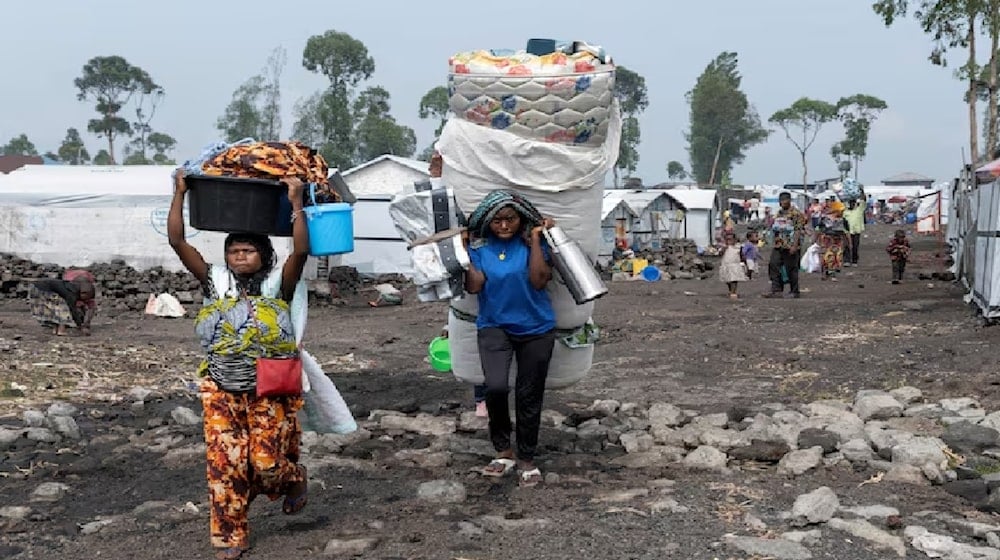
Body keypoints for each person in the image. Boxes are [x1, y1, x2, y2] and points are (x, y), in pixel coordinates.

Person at [169, 171, 310, 560]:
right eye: (234, 251)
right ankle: (230, 536)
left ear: (264, 255)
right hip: (220, 385)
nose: (240, 256)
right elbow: (178, 241)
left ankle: (293, 478)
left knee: (265, 461)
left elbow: (300, 251)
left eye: (249, 250)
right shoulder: (216, 282)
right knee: (224, 462)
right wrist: (179, 193)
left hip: (268, 385)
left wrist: (295, 202)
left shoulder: (278, 284)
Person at [463, 190, 555, 488]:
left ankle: (527, 458)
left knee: (529, 394)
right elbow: (475, 286)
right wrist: (463, 254)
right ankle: (504, 450)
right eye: (498, 220)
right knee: (496, 386)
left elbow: (539, 280)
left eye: (510, 219)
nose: (504, 226)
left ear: (520, 220)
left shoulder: (531, 244)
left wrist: (538, 240)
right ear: (488, 222)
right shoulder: (479, 249)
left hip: (536, 328)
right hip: (494, 326)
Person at [765, 192, 807, 298]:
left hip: (791, 244)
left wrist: (794, 245)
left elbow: (798, 230)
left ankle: (794, 291)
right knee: (774, 265)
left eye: (784, 200)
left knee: (791, 268)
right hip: (779, 244)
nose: (782, 203)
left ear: (789, 200)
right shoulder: (779, 213)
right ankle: (776, 289)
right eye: (780, 200)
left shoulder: (796, 214)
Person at [29, 270, 96, 336]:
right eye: (87, 298)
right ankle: (61, 330)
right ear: (84, 293)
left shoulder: (69, 286)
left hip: (35, 288)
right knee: (63, 308)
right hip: (43, 290)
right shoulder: (71, 294)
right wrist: (80, 326)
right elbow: (72, 310)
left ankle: (55, 329)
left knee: (53, 310)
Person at [818, 201, 847, 280]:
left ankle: (832, 273)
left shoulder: (842, 220)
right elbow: (819, 229)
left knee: (836, 257)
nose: (842, 212)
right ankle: (825, 273)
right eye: (841, 210)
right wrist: (816, 240)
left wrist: (846, 242)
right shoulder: (825, 219)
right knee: (826, 257)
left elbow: (845, 231)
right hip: (827, 240)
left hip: (837, 240)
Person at [719, 230, 748, 299]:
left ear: (735, 239)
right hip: (726, 265)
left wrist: (745, 263)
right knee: (728, 279)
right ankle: (730, 290)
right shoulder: (724, 247)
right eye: (727, 239)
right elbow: (720, 254)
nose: (729, 241)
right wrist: (724, 249)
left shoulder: (738, 247)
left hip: (735, 265)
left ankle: (733, 292)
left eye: (731, 239)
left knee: (734, 279)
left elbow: (742, 255)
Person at [843, 198, 866, 266]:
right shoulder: (845, 212)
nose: (852, 205)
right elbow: (844, 222)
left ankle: (854, 260)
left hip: (856, 231)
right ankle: (846, 260)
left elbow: (863, 201)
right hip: (847, 231)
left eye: (853, 203)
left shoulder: (859, 210)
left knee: (855, 246)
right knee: (847, 246)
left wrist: (861, 191)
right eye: (851, 203)